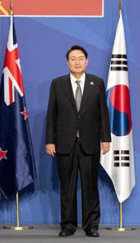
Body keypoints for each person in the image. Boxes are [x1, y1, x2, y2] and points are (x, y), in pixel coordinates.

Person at [45, 45, 111, 238]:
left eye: (80, 58)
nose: (77, 62)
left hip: (90, 143)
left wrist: (105, 138)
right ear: (67, 62)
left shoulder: (96, 83)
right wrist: (50, 140)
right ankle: (68, 225)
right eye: (73, 59)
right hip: (65, 143)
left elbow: (103, 114)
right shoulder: (57, 83)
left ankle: (91, 226)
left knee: (90, 187)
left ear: (87, 61)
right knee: (67, 187)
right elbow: (52, 114)